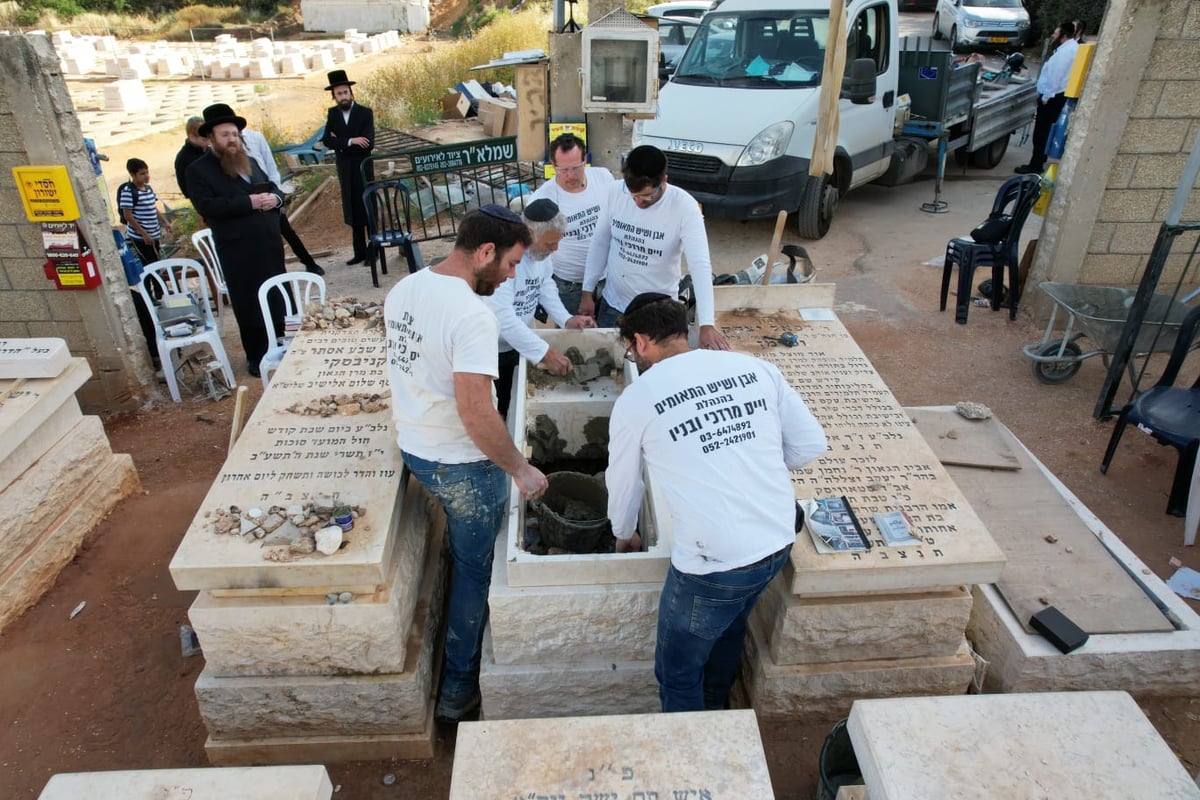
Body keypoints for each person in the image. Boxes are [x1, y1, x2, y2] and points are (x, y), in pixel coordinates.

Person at [606, 293, 827, 713]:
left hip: (713, 563)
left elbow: (623, 484)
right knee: (729, 627)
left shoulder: (637, 399)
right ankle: (717, 708)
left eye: (630, 349)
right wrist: (745, 467)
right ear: (681, 331)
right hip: (778, 537)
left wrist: (623, 534)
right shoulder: (753, 367)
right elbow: (810, 444)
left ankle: (695, 754)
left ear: (640, 341)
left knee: (678, 671)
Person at [384, 205, 549, 723]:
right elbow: (476, 411)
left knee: (465, 549)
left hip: (416, 446)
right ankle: (458, 692)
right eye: (511, 263)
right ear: (484, 253)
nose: (512, 275)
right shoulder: (473, 315)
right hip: (460, 464)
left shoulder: (408, 286)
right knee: (476, 574)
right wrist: (520, 469)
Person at [580, 145, 730, 351]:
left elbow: (700, 265)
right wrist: (587, 291)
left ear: (664, 181)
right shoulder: (615, 192)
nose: (639, 202)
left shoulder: (684, 207)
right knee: (611, 369)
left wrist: (706, 323)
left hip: (658, 314)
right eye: (633, 196)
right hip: (613, 307)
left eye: (647, 196)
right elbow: (600, 242)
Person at [186, 103, 287, 378]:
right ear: (211, 139)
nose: (231, 139)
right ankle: (257, 356)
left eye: (234, 134)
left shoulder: (248, 160)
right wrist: (249, 202)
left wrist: (275, 199)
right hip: (238, 249)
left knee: (277, 294)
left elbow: (272, 186)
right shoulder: (199, 170)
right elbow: (208, 206)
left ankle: (283, 345)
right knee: (249, 302)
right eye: (225, 135)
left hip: (268, 242)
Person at [482, 198, 597, 417]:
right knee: (496, 406)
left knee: (516, 397)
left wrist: (565, 319)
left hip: (520, 342)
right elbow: (503, 318)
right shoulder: (505, 259)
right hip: (491, 349)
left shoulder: (540, 255)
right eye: (550, 243)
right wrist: (545, 353)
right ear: (529, 234)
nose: (555, 249)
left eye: (557, 243)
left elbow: (544, 283)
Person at [528, 133, 615, 314]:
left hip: (608, 278)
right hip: (569, 283)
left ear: (585, 160)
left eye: (576, 168)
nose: (570, 175)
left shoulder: (604, 178)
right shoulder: (542, 199)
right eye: (563, 169)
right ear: (553, 165)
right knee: (573, 336)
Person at [242, 126, 326, 276]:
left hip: (267, 192)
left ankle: (309, 263)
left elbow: (270, 165)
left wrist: (276, 194)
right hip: (247, 199)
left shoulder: (255, 137)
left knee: (286, 231)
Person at [321, 70, 374, 265]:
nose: (343, 96)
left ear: (351, 93)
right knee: (352, 209)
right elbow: (327, 140)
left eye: (345, 92)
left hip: (362, 168)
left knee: (367, 208)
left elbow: (368, 143)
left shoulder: (364, 113)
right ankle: (359, 252)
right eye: (339, 94)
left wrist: (341, 142)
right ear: (334, 96)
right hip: (345, 168)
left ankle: (373, 251)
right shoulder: (333, 114)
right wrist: (352, 141)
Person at [1015, 21, 1078, 175]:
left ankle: (1035, 165)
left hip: (1052, 97)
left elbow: (1056, 76)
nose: (1052, 36)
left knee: (1041, 132)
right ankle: (1039, 160)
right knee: (1045, 131)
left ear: (1063, 36)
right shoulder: (1071, 48)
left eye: (1055, 34)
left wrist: (1047, 97)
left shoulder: (1064, 53)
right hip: (1057, 95)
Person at [118, 157, 172, 267]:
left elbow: (153, 207)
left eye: (147, 172)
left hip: (154, 234)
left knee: (157, 262)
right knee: (150, 265)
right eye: (142, 174)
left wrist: (165, 222)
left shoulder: (148, 189)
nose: (146, 176)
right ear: (133, 175)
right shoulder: (128, 192)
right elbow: (128, 216)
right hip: (141, 237)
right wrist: (144, 234)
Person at [174, 116, 208, 200]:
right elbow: (185, 187)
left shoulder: (209, 150)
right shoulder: (182, 159)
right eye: (204, 140)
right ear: (192, 137)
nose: (208, 142)